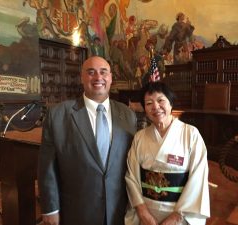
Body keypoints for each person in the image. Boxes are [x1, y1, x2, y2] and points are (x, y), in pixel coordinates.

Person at [38, 56, 137, 225]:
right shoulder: (58, 115)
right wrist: (50, 209)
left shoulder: (127, 115)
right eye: (91, 72)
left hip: (119, 211)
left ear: (111, 78)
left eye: (103, 72)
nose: (98, 77)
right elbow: (47, 167)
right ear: (82, 78)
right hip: (77, 211)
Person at [125, 82, 210, 225]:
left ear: (170, 103)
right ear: (145, 109)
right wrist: (143, 213)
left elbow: (198, 179)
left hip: (179, 215)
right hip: (146, 214)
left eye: (160, 100)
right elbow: (132, 177)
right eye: (149, 103)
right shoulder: (140, 137)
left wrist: (175, 217)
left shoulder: (191, 134)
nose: (155, 107)